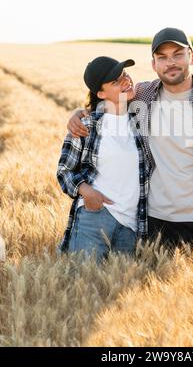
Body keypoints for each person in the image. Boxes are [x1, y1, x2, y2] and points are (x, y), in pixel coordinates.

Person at [68, 28, 193, 252]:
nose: (171, 63)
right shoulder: (143, 95)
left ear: (192, 56)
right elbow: (107, 106)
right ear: (154, 64)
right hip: (153, 223)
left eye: (178, 54)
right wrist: (80, 114)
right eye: (162, 57)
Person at [57, 56, 149, 263]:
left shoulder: (141, 122)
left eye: (125, 74)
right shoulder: (85, 126)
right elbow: (64, 171)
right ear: (100, 93)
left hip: (132, 225)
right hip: (96, 216)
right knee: (82, 286)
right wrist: (87, 192)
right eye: (116, 81)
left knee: (117, 290)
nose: (126, 81)